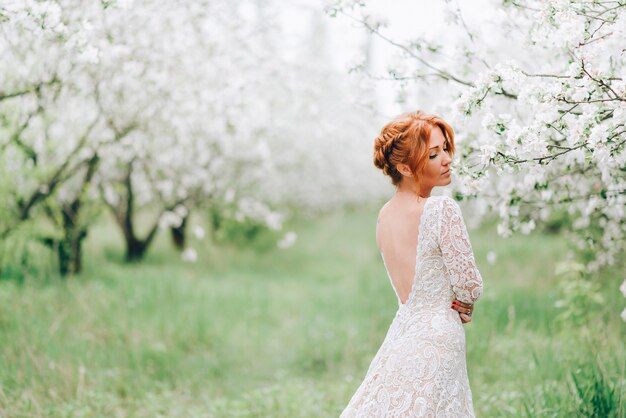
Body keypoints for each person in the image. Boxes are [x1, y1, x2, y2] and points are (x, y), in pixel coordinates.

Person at [340, 110, 484, 417]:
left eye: (446, 148)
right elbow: (469, 284)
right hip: (439, 335)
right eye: (433, 154)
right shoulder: (441, 209)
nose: (447, 159)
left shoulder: (384, 216)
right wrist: (467, 305)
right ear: (405, 166)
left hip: (404, 333)